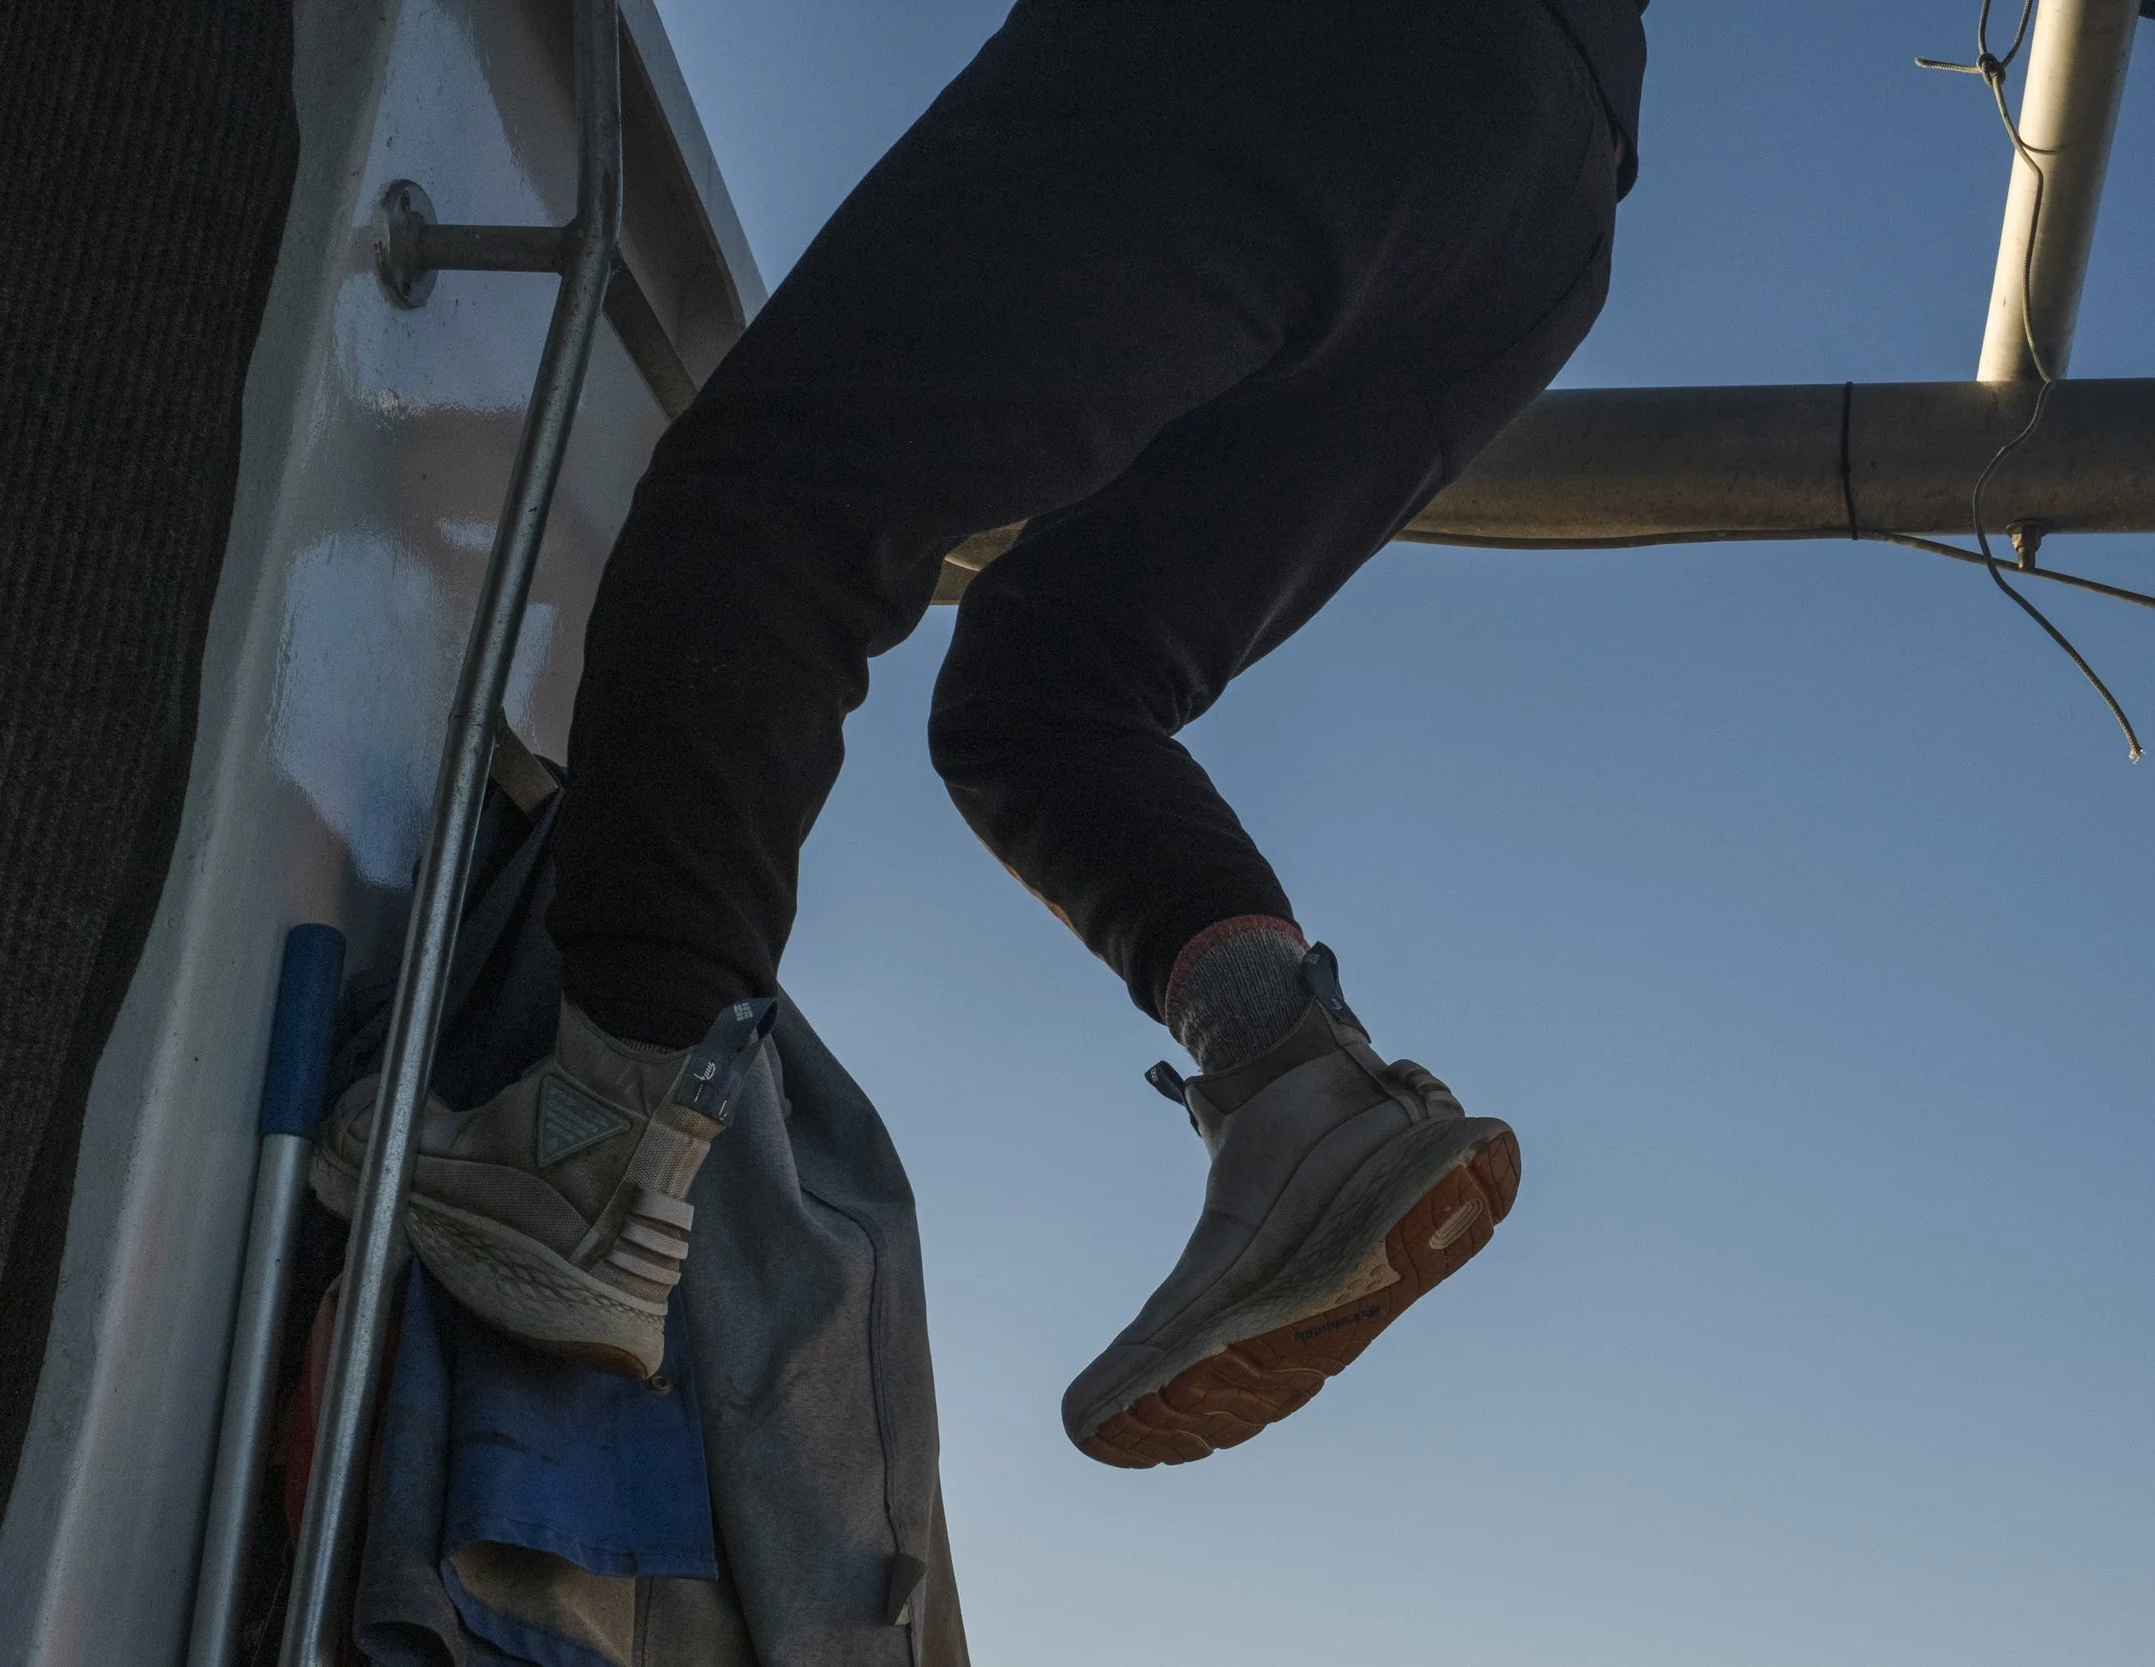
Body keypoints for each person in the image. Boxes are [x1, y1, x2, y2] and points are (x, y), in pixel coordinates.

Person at [318, 0, 1645, 1468]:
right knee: (1048, 691)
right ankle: (1296, 1083)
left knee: (785, 497)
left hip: (1315, 47)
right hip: (1550, 193)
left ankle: (596, 1143)